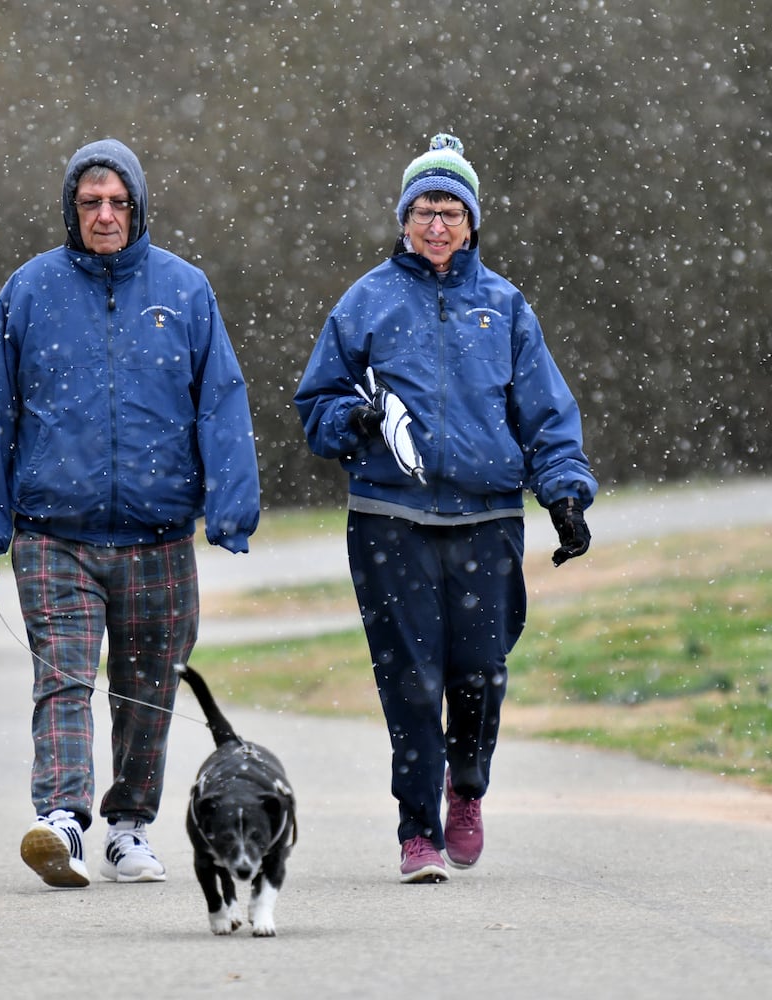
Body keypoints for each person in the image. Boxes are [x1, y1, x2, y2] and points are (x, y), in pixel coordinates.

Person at [0, 138, 261, 889]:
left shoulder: (185, 293)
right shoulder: (28, 292)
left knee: (147, 687)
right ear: (71, 209)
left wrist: (232, 507)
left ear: (138, 209)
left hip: (157, 534)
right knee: (63, 679)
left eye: (116, 202)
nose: (103, 214)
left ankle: (129, 825)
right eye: (89, 202)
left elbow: (220, 403)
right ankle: (61, 817)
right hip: (53, 532)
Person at [294, 133, 595, 883]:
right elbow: (316, 407)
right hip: (387, 517)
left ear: (471, 223)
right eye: (424, 211)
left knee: (478, 673)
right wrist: (351, 423)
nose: (436, 226)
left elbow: (545, 415)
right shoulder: (365, 301)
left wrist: (564, 494)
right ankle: (416, 831)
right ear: (402, 219)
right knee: (408, 679)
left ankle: (465, 786)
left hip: (485, 517)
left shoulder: (504, 307)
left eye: (451, 212)